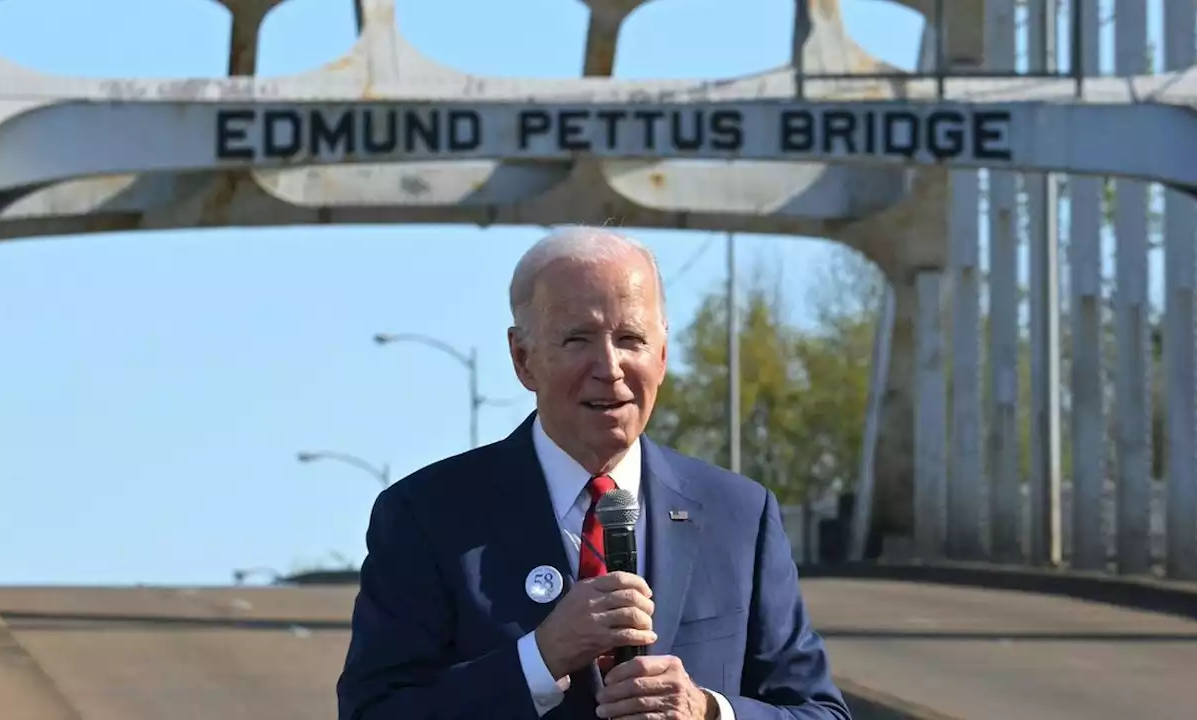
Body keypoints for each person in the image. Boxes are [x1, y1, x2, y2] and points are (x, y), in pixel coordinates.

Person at [336, 227, 851, 720]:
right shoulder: (427, 516)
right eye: (577, 339)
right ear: (523, 359)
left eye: (631, 339)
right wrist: (538, 659)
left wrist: (711, 711)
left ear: (664, 355)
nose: (610, 367)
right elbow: (375, 711)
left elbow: (819, 711)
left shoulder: (739, 516)